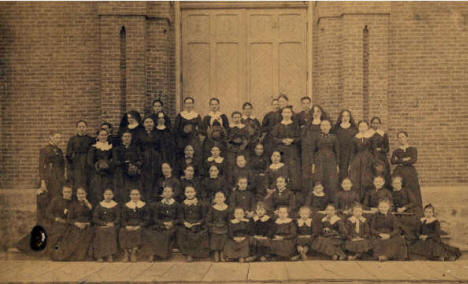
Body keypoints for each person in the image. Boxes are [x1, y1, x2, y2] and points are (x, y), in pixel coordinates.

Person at [51, 187, 93, 261]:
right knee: (75, 235)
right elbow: (69, 219)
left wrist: (87, 223)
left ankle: (84, 255)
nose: (81, 195)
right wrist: (76, 223)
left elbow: (92, 217)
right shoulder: (73, 205)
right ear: (76, 195)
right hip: (75, 225)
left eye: (82, 193)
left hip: (87, 226)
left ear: (86, 194)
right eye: (79, 194)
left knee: (89, 233)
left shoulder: (89, 205)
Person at [142, 186, 179, 261]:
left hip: (172, 225)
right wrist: (163, 223)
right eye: (165, 191)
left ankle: (162, 255)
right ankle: (152, 254)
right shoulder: (158, 205)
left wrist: (172, 223)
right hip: (160, 224)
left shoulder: (176, 204)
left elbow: (179, 218)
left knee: (166, 234)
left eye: (169, 191)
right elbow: (155, 218)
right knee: (152, 233)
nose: (167, 193)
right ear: (162, 194)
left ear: (172, 193)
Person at [37, 131, 65, 225]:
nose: (58, 140)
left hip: (58, 178)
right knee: (47, 199)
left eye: (59, 138)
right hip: (49, 177)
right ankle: (46, 220)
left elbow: (62, 165)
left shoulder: (59, 151)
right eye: (56, 137)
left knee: (56, 198)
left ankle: (55, 219)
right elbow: (41, 167)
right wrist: (43, 181)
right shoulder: (44, 150)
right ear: (50, 137)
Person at [271, 106, 301, 190]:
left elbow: (299, 137)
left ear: (291, 114)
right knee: (282, 170)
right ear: (282, 114)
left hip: (293, 151)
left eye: (288, 112)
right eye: (285, 112)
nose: (287, 114)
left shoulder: (295, 126)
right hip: (282, 151)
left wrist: (292, 140)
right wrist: (282, 141)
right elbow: (273, 138)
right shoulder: (278, 126)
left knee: (293, 170)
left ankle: (293, 191)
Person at [177, 186, 210, 262]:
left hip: (198, 224)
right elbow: (180, 216)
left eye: (191, 192)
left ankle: (198, 254)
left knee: (201, 233)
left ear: (195, 193)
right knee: (183, 232)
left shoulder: (200, 204)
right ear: (185, 193)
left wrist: (198, 223)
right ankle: (189, 254)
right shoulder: (182, 204)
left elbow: (204, 216)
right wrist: (185, 223)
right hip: (186, 224)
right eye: (187, 192)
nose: (189, 194)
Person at [391, 131, 422, 208]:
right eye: (399, 137)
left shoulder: (413, 149)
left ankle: (414, 208)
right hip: (399, 172)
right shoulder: (396, 151)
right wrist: (404, 159)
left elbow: (413, 160)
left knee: (412, 189)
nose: (401, 139)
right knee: (400, 189)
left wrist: (400, 160)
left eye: (403, 137)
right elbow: (392, 161)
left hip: (410, 172)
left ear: (407, 138)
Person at [312, 119, 340, 200]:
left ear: (330, 127)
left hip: (331, 160)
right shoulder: (316, 137)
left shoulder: (334, 137)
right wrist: (313, 164)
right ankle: (320, 200)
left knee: (331, 180)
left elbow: (337, 151)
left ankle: (331, 200)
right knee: (320, 178)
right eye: (323, 125)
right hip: (319, 160)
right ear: (320, 127)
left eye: (327, 125)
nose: (325, 127)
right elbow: (313, 151)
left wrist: (337, 164)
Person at [119, 189, 150, 262]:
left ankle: (133, 252)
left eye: (137, 194)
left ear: (140, 196)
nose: (135, 196)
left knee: (137, 232)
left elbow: (147, 219)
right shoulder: (126, 205)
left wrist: (140, 225)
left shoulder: (144, 205)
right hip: (129, 224)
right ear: (130, 196)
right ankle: (126, 253)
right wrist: (126, 225)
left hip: (139, 225)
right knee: (122, 231)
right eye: (133, 194)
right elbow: (123, 218)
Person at [43, 184, 74, 257]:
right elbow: (47, 212)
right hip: (57, 222)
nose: (67, 194)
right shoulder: (56, 200)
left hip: (68, 222)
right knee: (58, 232)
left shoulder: (73, 202)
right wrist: (55, 218)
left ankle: (61, 252)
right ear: (62, 192)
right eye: (65, 192)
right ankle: (51, 250)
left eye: (69, 192)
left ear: (72, 193)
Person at [301, 105, 327, 190]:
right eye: (314, 112)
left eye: (318, 111)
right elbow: (303, 138)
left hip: (320, 151)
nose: (316, 113)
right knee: (308, 173)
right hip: (308, 152)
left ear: (321, 113)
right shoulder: (308, 125)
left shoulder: (325, 124)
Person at [113, 131, 143, 203]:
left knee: (132, 190)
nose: (127, 138)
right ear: (122, 138)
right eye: (125, 136)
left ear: (131, 138)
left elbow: (141, 160)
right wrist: (124, 163)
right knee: (122, 192)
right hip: (121, 173)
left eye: (128, 136)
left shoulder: (135, 148)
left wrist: (135, 165)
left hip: (133, 173)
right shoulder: (117, 149)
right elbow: (115, 161)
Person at [349, 120, 375, 200]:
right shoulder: (355, 138)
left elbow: (374, 150)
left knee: (367, 178)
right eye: (361, 126)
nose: (362, 128)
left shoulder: (371, 137)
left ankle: (367, 200)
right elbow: (352, 152)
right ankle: (358, 199)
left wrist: (374, 161)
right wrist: (351, 163)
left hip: (368, 159)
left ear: (367, 127)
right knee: (357, 179)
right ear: (358, 128)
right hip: (358, 160)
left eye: (364, 126)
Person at [92, 188, 120, 262]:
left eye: (110, 194)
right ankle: (99, 255)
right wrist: (104, 223)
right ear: (103, 195)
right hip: (101, 225)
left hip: (112, 225)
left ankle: (109, 255)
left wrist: (113, 223)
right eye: (106, 194)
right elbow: (95, 218)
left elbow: (118, 217)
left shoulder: (116, 205)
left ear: (113, 195)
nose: (108, 196)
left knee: (110, 231)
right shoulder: (99, 205)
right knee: (100, 232)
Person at [87, 129, 114, 205]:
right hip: (97, 174)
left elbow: (113, 159)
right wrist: (98, 166)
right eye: (101, 135)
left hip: (108, 173)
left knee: (107, 191)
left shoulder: (110, 147)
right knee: (97, 192)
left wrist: (108, 165)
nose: (103, 137)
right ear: (98, 136)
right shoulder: (94, 147)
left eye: (105, 135)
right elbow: (89, 161)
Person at [138, 117, 162, 201]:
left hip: (156, 159)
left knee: (155, 179)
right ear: (143, 124)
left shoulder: (158, 134)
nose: (149, 124)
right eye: (146, 122)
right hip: (144, 160)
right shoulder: (140, 134)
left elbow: (161, 148)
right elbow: (138, 148)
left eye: (151, 122)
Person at [331, 109, 358, 182]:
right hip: (339, 154)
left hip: (350, 154)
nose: (345, 118)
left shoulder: (354, 130)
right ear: (340, 117)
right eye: (343, 116)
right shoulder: (335, 129)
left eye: (347, 116)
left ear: (350, 117)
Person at [391, 175, 420, 241]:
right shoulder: (392, 193)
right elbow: (392, 205)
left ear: (401, 183)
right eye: (395, 183)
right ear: (392, 184)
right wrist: (396, 209)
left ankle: (409, 237)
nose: (396, 185)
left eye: (398, 183)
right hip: (398, 213)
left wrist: (404, 208)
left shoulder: (407, 191)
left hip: (409, 211)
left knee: (406, 220)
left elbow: (413, 202)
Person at [66, 120, 94, 190]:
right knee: (77, 182)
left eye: (83, 127)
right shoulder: (72, 139)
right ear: (77, 128)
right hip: (76, 163)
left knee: (87, 181)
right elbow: (68, 154)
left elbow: (93, 152)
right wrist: (72, 164)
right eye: (80, 127)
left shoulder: (91, 139)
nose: (82, 128)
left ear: (86, 128)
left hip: (87, 163)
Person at [206, 191, 230, 262]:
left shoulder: (227, 208)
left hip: (224, 226)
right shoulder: (212, 208)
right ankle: (216, 252)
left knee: (224, 237)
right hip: (215, 226)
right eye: (217, 197)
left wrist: (226, 225)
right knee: (215, 236)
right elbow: (208, 220)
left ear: (224, 198)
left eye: (221, 197)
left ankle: (222, 252)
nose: (219, 199)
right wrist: (213, 225)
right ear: (215, 199)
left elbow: (229, 220)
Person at [370, 117, 391, 187]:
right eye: (374, 123)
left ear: (379, 124)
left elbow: (387, 148)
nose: (375, 125)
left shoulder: (383, 134)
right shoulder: (368, 134)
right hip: (371, 156)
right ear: (371, 124)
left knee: (382, 173)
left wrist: (381, 149)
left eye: (377, 123)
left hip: (381, 157)